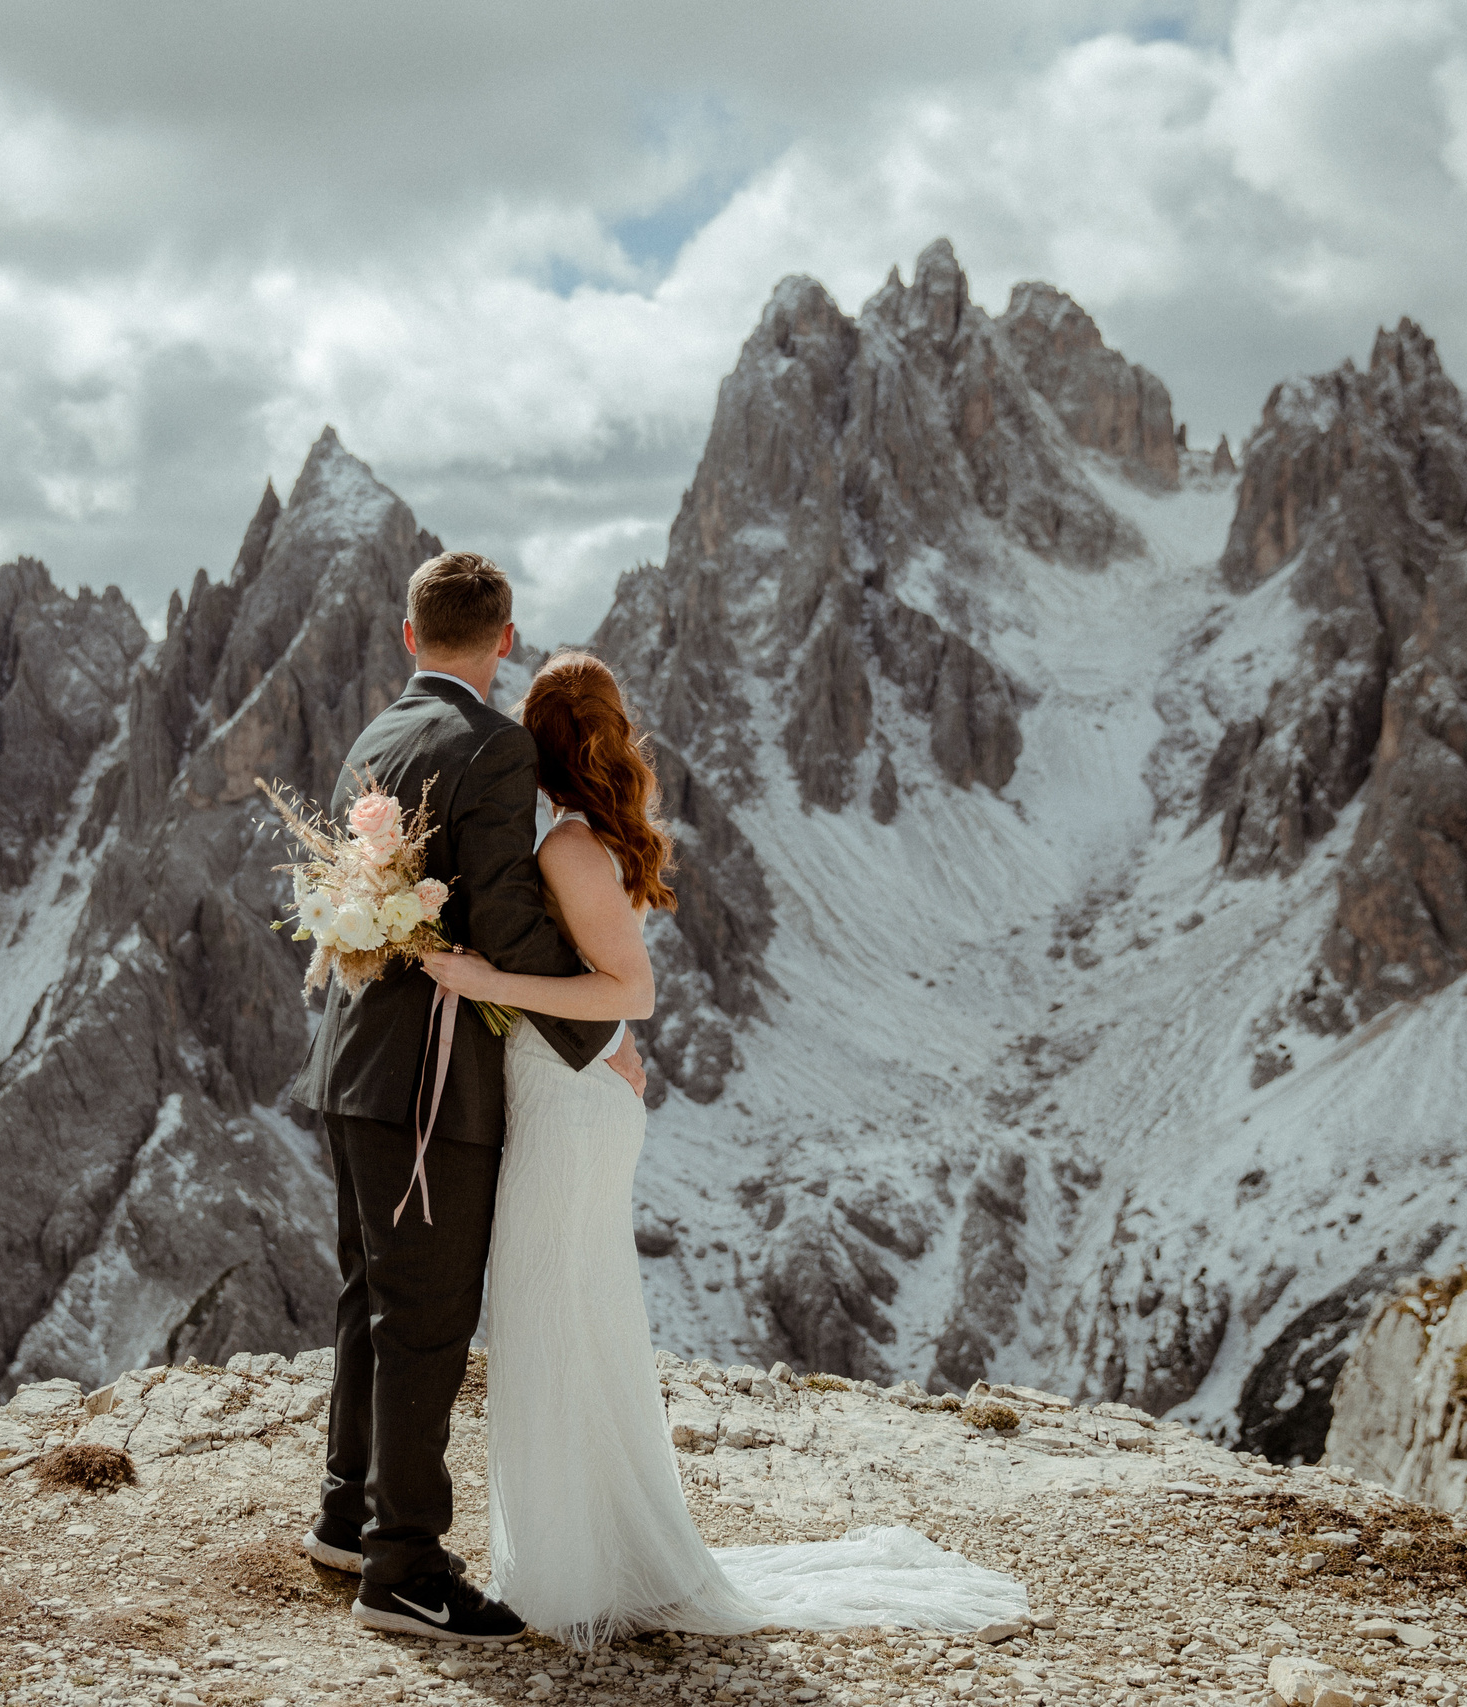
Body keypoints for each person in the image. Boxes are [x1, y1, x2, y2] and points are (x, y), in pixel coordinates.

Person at [422, 649, 1028, 1648]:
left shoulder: (569, 848)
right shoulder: (561, 836)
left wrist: (488, 984)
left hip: (572, 1106)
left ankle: (579, 1570)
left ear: (544, 735)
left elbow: (632, 993)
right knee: (558, 1320)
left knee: (552, 1320)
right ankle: (582, 1558)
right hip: (565, 1095)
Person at [290, 550, 645, 1643]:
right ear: (504, 639)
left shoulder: (373, 738)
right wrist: (600, 1028)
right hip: (431, 1083)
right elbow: (503, 915)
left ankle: (348, 1517)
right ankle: (402, 1568)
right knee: (428, 1317)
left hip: (352, 1065)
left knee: (369, 1297)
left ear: (409, 636)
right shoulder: (493, 749)